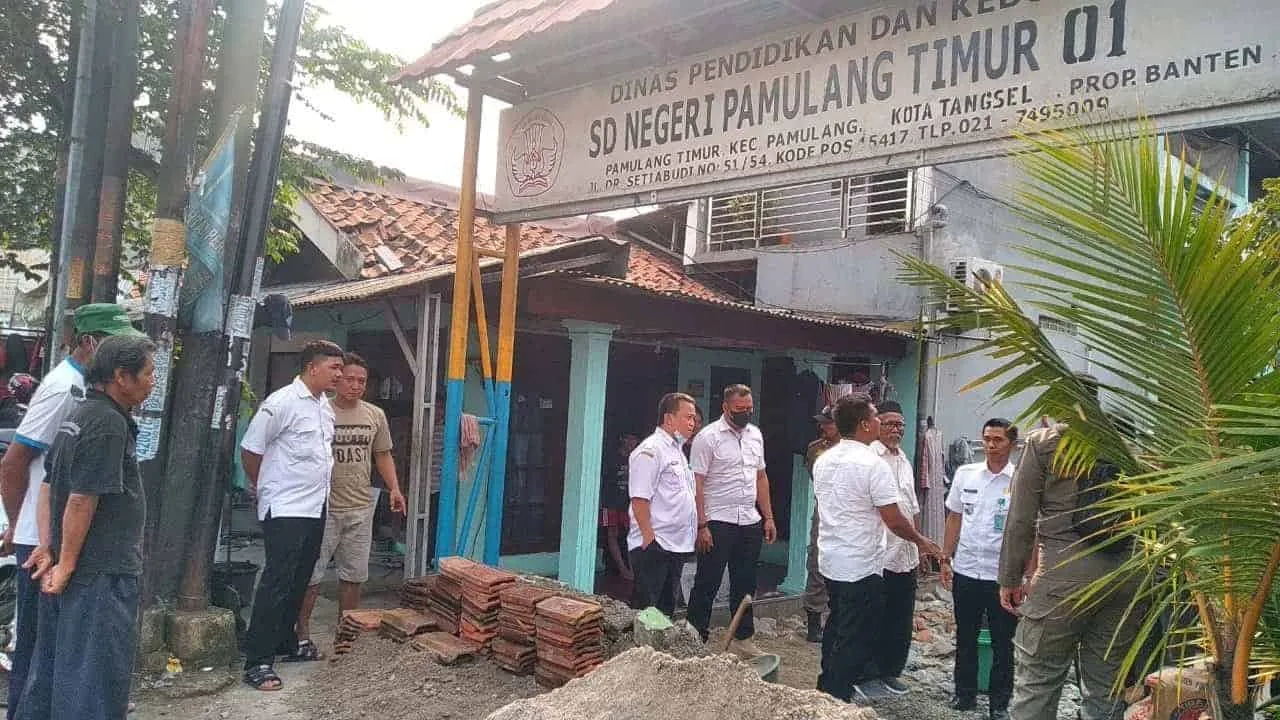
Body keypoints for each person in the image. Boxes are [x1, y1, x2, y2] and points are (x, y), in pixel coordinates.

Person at [0, 303, 142, 720]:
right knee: (41, 656)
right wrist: (21, 527)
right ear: (89, 343)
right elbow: (17, 463)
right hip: (50, 540)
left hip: (57, 538)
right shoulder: (67, 389)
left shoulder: (87, 395)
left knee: (55, 658)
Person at [999, 378, 1140, 720]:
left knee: (1039, 680)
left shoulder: (1045, 442)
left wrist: (1010, 577)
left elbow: (1021, 518)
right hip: (1125, 575)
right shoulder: (1123, 441)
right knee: (1105, 688)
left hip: (1063, 578)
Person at [813, 395, 942, 704]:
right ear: (864, 424)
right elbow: (895, 520)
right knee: (854, 634)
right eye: (875, 417)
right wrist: (922, 541)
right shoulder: (872, 463)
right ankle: (836, 697)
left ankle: (825, 685)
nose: (880, 423)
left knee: (838, 624)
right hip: (861, 563)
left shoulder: (825, 459)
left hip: (833, 559)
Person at [239, 340, 344, 691]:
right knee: (278, 580)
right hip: (285, 507)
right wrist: (265, 487)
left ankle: (284, 643)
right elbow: (251, 450)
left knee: (300, 577)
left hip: (315, 506)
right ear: (312, 368)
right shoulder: (281, 402)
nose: (339, 374)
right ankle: (257, 661)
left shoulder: (324, 408)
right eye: (334, 368)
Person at [296, 353, 405, 646]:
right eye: (350, 379)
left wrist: (394, 488)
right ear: (337, 379)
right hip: (323, 506)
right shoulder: (321, 411)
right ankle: (302, 632)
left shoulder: (374, 415)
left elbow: (382, 454)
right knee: (312, 573)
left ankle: (345, 634)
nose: (356, 386)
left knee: (354, 574)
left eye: (362, 381)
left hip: (360, 506)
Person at [687, 384, 776, 658]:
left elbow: (760, 477)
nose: (746, 414)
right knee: (707, 581)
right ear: (726, 407)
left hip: (748, 520)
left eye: (750, 409)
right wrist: (701, 525)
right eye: (740, 410)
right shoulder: (708, 437)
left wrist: (768, 517)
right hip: (717, 521)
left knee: (746, 582)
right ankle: (694, 637)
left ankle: (743, 637)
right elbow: (697, 483)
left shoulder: (755, 436)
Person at [942, 419, 1019, 720]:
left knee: (1003, 640)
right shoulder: (966, 474)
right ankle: (964, 695)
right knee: (966, 635)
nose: (990, 445)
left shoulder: (1020, 481)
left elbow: (1030, 531)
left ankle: (999, 703)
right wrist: (945, 557)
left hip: (1003, 576)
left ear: (1011, 443)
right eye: (987, 439)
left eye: (998, 439)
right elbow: (954, 518)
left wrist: (1025, 575)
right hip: (967, 570)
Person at [863, 400, 921, 697]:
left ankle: (890, 671)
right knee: (876, 616)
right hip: (879, 555)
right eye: (890, 423)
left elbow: (912, 508)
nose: (896, 429)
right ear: (876, 425)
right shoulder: (870, 458)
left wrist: (919, 547)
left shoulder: (904, 460)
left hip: (905, 554)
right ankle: (868, 674)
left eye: (900, 424)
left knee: (900, 617)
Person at [627, 393, 698, 617]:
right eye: (687, 417)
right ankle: (640, 652)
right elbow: (639, 499)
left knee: (666, 611)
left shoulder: (677, 450)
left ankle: (657, 652)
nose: (692, 423)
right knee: (647, 612)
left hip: (676, 545)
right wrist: (649, 538)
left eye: (694, 418)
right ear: (669, 419)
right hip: (655, 545)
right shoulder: (651, 450)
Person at [802, 405, 840, 643]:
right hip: (825, 511)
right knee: (817, 562)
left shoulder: (859, 449)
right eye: (823, 423)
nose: (824, 427)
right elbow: (816, 479)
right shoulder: (815, 449)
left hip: (851, 515)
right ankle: (814, 621)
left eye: (829, 423)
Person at [601, 433, 639, 582]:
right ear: (622, 439)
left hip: (630, 503)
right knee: (612, 534)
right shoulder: (612, 459)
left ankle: (632, 568)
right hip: (611, 501)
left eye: (634, 439)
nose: (632, 442)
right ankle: (622, 568)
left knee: (632, 535)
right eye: (629, 438)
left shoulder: (637, 458)